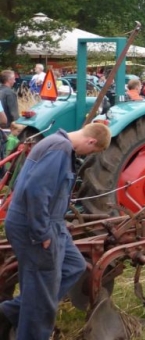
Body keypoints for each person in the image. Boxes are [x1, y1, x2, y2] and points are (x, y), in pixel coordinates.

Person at [0, 123, 111, 340]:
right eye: (93, 151)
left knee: (74, 265)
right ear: (91, 142)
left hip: (53, 223)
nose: (89, 155)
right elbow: (36, 191)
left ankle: (11, 311)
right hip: (34, 225)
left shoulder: (60, 147)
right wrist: (41, 233)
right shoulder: (58, 149)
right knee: (42, 296)